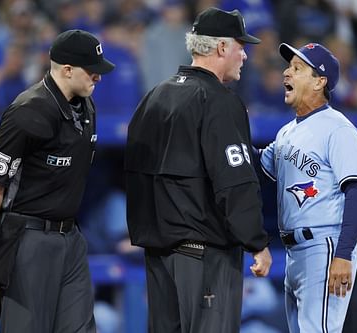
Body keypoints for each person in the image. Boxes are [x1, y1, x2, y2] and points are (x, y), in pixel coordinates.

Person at [125, 7, 272, 333]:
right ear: (221, 48)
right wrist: (256, 242)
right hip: (205, 258)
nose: (245, 56)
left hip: (158, 257)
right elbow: (235, 182)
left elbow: (134, 178)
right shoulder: (219, 100)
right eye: (240, 46)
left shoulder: (154, 97)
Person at [0, 29, 114, 333]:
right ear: (66, 70)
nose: (98, 78)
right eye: (92, 70)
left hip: (71, 238)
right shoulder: (28, 110)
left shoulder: (86, 106)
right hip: (27, 240)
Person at [259, 42, 357, 332]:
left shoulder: (338, 128)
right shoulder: (287, 132)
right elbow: (257, 164)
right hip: (295, 251)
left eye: (297, 69)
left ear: (320, 81)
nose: (286, 73)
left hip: (326, 244)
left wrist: (343, 254)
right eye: (289, 67)